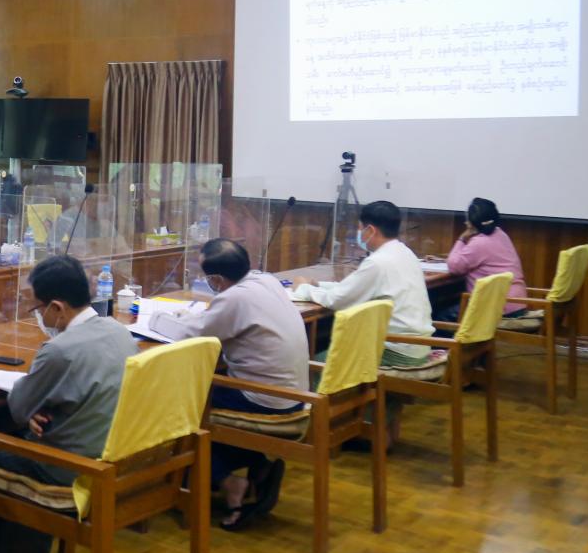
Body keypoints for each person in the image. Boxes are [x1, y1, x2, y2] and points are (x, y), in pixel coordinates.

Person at [0, 255, 141, 553]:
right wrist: (40, 402)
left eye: (37, 308)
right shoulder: (118, 331)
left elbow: (20, 409)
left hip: (69, 469)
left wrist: (33, 402)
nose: (38, 316)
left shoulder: (59, 350)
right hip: (112, 458)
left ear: (57, 308)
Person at [152, 239, 308, 530]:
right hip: (294, 396)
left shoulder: (234, 299)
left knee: (177, 405)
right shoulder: (266, 280)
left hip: (263, 399)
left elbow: (187, 335)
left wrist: (155, 318)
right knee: (199, 397)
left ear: (215, 280)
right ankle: (255, 462)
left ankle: (226, 481)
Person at [292, 200, 433, 444]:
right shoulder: (403, 252)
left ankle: (318, 435)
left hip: (396, 351)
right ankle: (368, 427)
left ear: (370, 230)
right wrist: (318, 284)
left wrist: (303, 289)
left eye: (360, 229)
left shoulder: (378, 262)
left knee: (317, 361)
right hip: (415, 345)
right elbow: (355, 288)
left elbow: (337, 300)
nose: (359, 234)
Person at [440, 197, 527, 322]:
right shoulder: (501, 234)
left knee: (438, 316)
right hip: (516, 305)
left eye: (468, 220)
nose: (466, 223)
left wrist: (462, 239)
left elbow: (454, 267)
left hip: (495, 309)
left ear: (471, 224)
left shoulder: (479, 243)